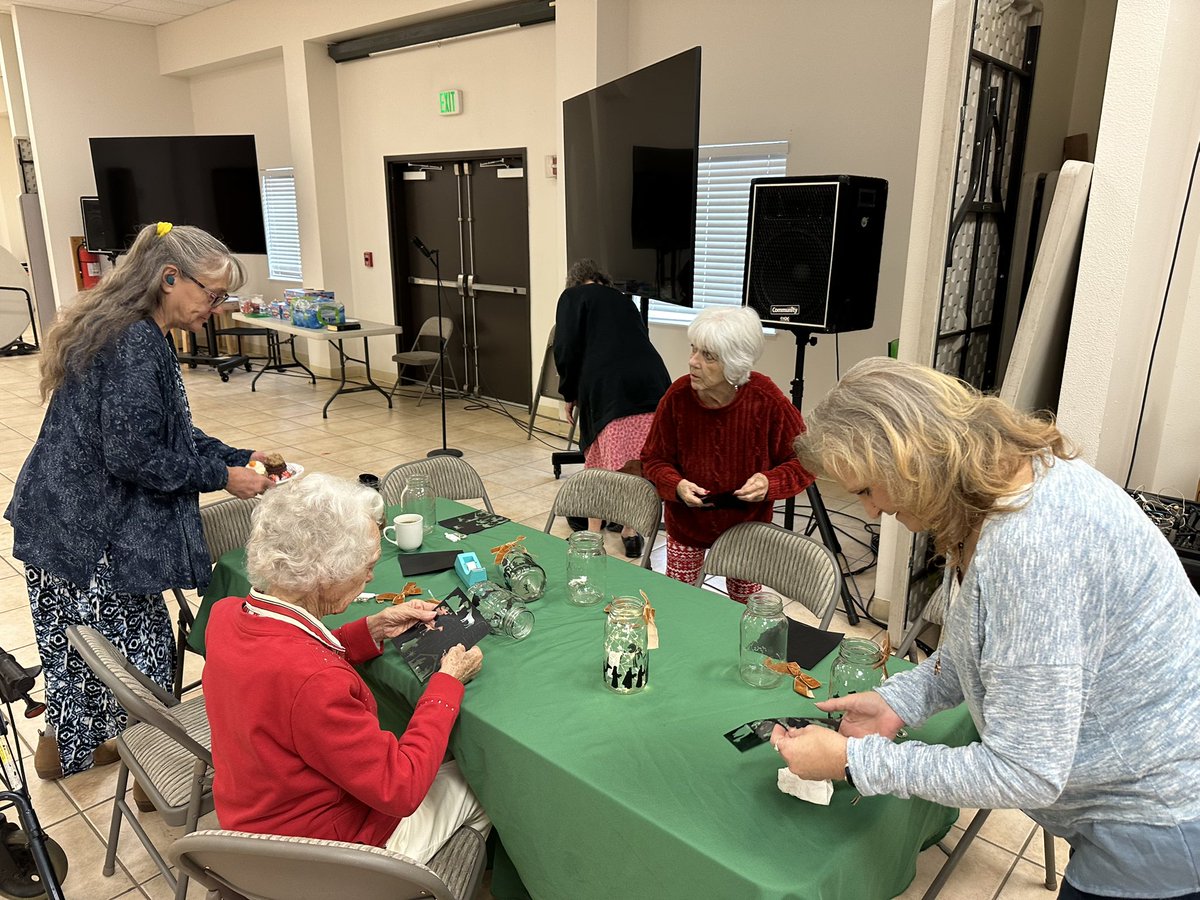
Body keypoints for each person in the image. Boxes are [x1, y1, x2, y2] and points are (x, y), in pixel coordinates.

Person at [774, 357, 1200, 900]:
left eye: (866, 490)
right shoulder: (1009, 481)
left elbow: (1026, 772)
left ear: (910, 462)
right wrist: (899, 700)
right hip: (1133, 785)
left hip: (1160, 812)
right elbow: (981, 644)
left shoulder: (1028, 548)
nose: (872, 511)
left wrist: (855, 762)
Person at [4, 222, 275, 781]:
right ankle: (157, 775)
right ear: (170, 278)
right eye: (212, 294)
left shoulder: (131, 330)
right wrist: (223, 476)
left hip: (62, 520)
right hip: (90, 532)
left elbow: (165, 432)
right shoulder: (134, 343)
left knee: (78, 653)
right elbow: (135, 456)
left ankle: (69, 747)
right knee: (139, 660)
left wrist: (239, 456)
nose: (216, 309)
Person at [203, 474, 489, 861]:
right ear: (325, 573)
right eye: (367, 566)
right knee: (489, 779)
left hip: (251, 818)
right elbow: (401, 788)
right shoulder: (317, 681)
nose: (371, 576)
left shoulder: (225, 615)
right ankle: (451, 872)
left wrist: (372, 629)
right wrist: (446, 683)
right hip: (324, 854)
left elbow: (289, 656)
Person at [640, 306, 812, 601]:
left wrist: (770, 482)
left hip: (747, 529)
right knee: (679, 602)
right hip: (686, 525)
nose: (692, 362)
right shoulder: (677, 396)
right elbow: (653, 459)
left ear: (735, 363)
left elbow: (805, 460)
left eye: (708, 356)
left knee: (744, 609)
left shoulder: (766, 400)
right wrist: (676, 485)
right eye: (694, 349)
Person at [554, 259, 671, 557]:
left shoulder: (572, 297)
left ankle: (594, 534)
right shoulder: (623, 300)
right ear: (603, 281)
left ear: (576, 281)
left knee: (600, 465)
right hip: (653, 384)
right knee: (635, 463)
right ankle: (630, 532)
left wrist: (568, 392)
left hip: (609, 387)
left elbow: (566, 348)